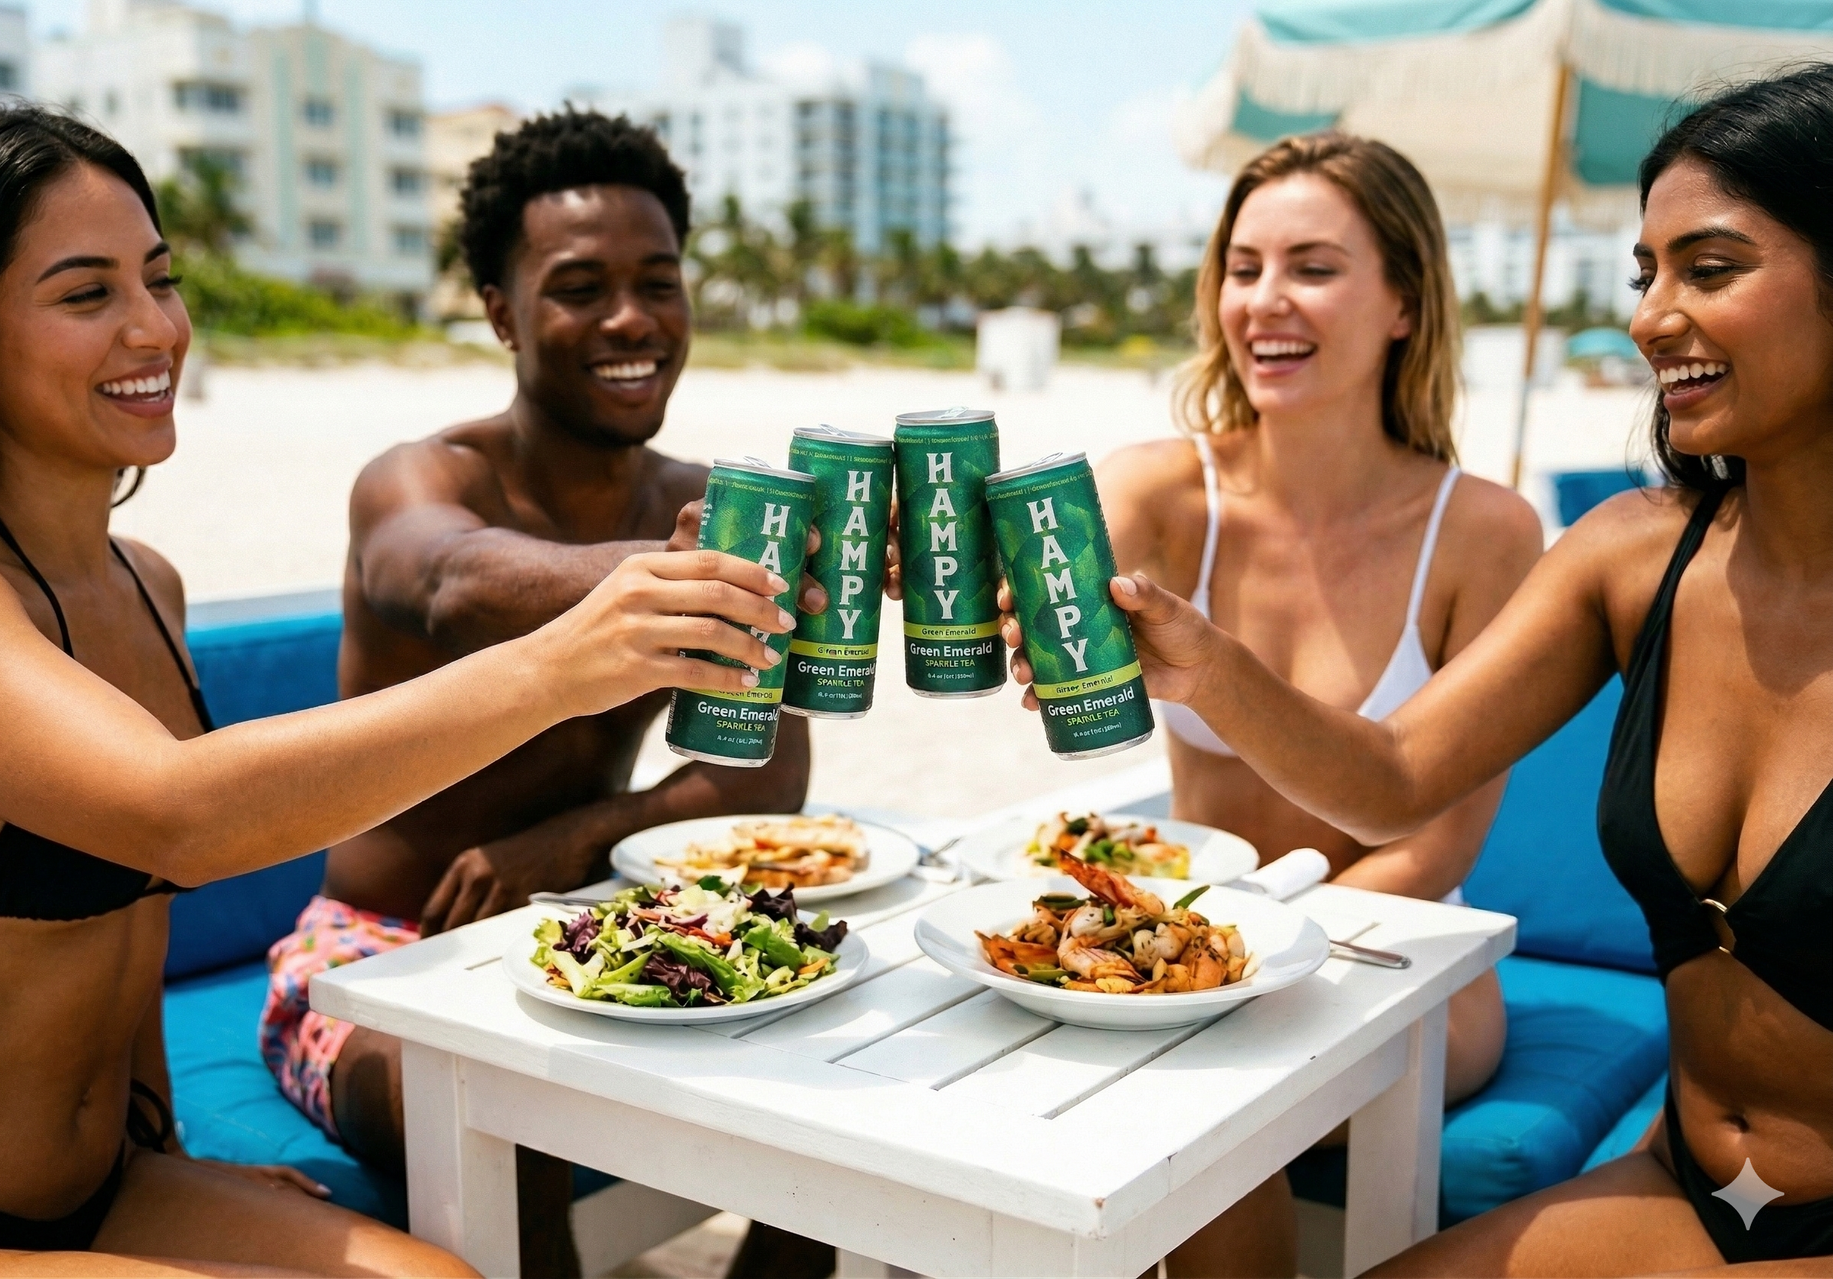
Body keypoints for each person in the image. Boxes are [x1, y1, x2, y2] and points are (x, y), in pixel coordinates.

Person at [0, 102, 791, 1277]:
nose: (152, 328)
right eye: (87, 295)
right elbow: (178, 813)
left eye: (159, 279)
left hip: (116, 1182)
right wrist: (564, 660)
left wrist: (162, 1146)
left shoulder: (148, 588)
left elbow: (123, 928)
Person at [1016, 64, 1833, 1277]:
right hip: (1684, 1187)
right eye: (1645, 274)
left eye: (1709, 270)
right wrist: (1207, 668)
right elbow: (1397, 773)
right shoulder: (1632, 555)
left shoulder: (1485, 526)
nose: (1654, 315)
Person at [258, 110, 834, 1279]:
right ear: (498, 309)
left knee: (848, 1091)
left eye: (657, 283)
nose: (631, 320)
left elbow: (767, 769)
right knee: (489, 1100)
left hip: (592, 933)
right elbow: (451, 579)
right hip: (379, 952)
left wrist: (578, 831)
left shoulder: (701, 498)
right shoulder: (422, 477)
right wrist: (674, 577)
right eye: (579, 287)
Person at [1085, 132, 1541, 1276]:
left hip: (1393, 955)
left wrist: (1226, 961)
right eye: (1242, 267)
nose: (1264, 301)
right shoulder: (1154, 490)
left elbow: (1435, 843)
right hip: (1179, 947)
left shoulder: (1483, 534)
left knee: (1195, 1094)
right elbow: (1028, 605)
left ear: (1402, 301)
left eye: (1314, 266)